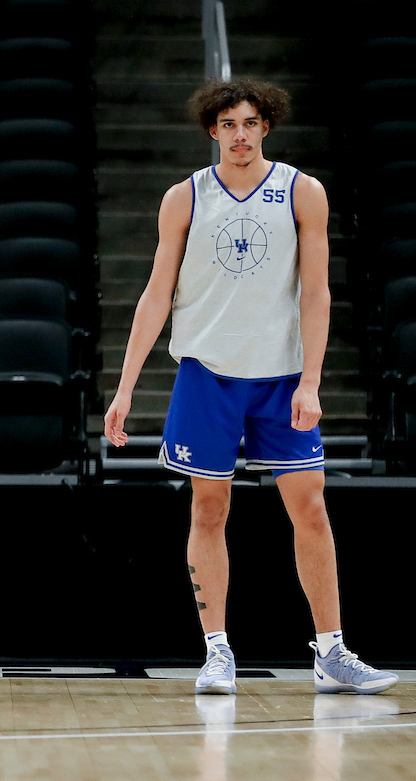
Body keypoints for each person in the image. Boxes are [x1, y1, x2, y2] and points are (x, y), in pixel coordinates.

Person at [104, 79, 397, 695]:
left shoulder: (302, 192)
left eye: (251, 122)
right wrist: (125, 386)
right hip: (208, 373)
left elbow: (316, 293)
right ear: (212, 130)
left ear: (268, 126)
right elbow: (156, 294)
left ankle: (332, 651)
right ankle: (217, 651)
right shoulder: (184, 198)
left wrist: (312, 380)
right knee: (209, 510)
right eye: (229, 123)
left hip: (283, 374)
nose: (240, 133)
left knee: (311, 507)